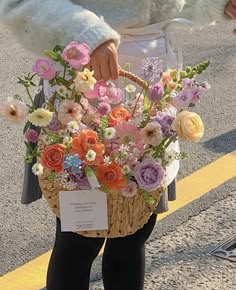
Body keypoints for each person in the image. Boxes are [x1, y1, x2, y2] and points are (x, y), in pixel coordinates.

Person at [0, 1, 236, 290]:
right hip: (81, 100)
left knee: (133, 233)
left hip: (149, 101)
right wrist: (86, 33)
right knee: (79, 237)